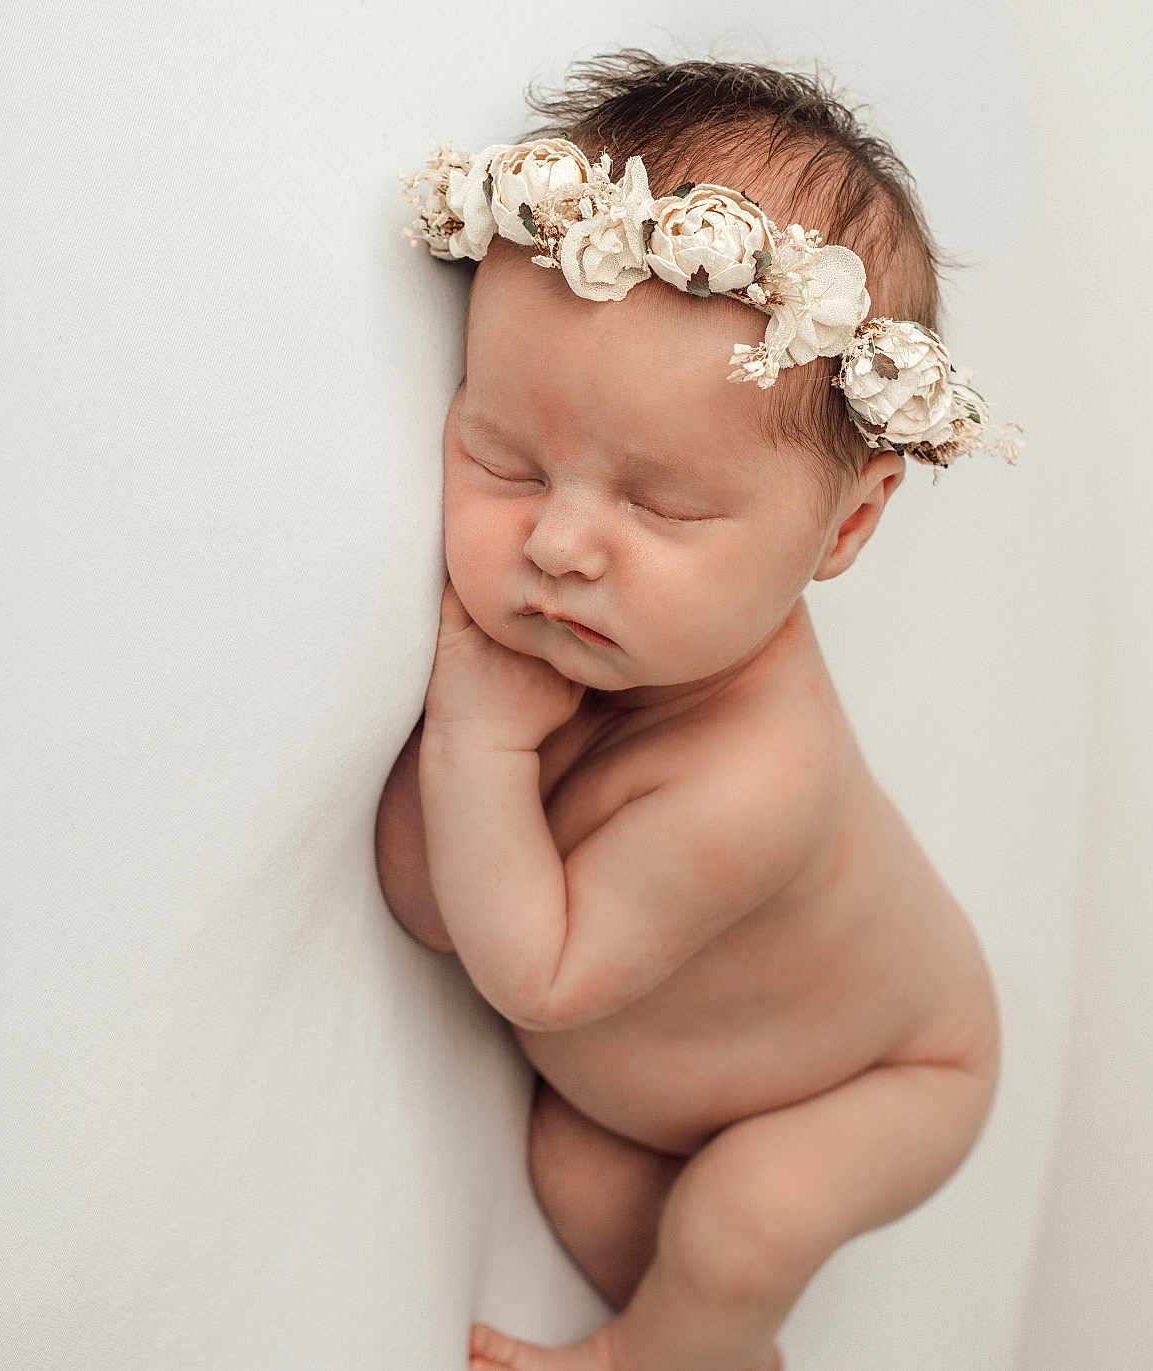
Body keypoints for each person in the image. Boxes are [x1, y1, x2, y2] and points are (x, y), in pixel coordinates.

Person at [377, 50, 1023, 1371]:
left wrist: (482, 741)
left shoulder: (755, 779)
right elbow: (433, 903)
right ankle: (717, 1351)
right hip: (649, 1096)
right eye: (502, 459)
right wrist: (475, 764)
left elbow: (539, 975)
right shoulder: (593, 650)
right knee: (582, 1172)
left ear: (844, 526)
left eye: (660, 506)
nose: (557, 544)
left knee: (740, 1225)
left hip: (885, 1076)